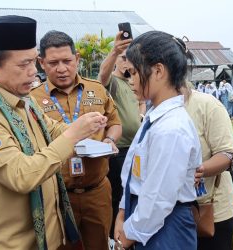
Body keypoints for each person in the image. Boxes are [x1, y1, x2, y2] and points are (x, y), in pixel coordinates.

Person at [0, 16, 107, 250]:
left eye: (34, 62)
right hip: (9, 242)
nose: (34, 72)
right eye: (23, 65)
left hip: (43, 236)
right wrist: (73, 135)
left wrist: (85, 126)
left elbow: (52, 129)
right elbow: (21, 174)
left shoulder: (21, 97)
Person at [31, 30, 122, 250]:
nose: (61, 69)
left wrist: (110, 140)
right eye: (53, 63)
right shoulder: (32, 98)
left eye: (67, 61)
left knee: (99, 244)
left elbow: (115, 123)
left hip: (97, 190)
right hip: (58, 195)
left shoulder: (97, 89)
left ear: (77, 59)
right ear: (41, 63)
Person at [114, 31, 202, 249]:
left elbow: (158, 198)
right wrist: (124, 211)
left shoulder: (171, 128)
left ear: (158, 70)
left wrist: (129, 234)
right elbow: (134, 170)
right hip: (147, 219)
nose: (130, 80)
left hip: (164, 226)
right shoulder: (155, 116)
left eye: (134, 73)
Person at [98, 31, 145, 238]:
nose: (127, 63)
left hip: (135, 149)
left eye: (129, 59)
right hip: (118, 151)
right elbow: (102, 77)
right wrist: (115, 50)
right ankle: (114, 237)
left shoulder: (132, 82)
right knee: (118, 197)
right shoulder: (113, 83)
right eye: (123, 58)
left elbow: (141, 102)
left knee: (133, 196)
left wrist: (141, 116)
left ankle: (127, 234)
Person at [183, 87, 233, 250]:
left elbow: (227, 154)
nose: (133, 79)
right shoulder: (153, 109)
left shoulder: (207, 105)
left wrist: (198, 170)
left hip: (211, 213)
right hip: (172, 214)